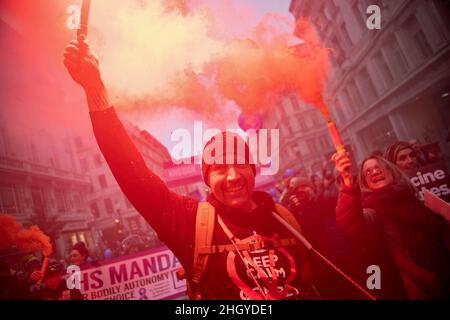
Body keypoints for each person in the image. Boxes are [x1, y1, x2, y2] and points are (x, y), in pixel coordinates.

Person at [64, 35, 327, 300]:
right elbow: (134, 176)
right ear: (207, 180)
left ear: (253, 170)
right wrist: (95, 89)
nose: (233, 176)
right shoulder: (190, 223)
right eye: (220, 169)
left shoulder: (284, 218)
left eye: (240, 165)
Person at [332, 152, 450, 299]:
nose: (375, 172)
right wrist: (348, 181)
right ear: (365, 182)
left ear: (392, 171)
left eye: (379, 167)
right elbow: (350, 222)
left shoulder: (415, 200)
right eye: (367, 171)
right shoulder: (372, 213)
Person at [283, 176, 365, 299]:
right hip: (321, 271)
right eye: (297, 190)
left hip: (344, 262)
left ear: (312, 187)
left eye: (304, 187)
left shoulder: (325, 200)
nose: (302, 191)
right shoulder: (293, 214)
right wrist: (293, 206)